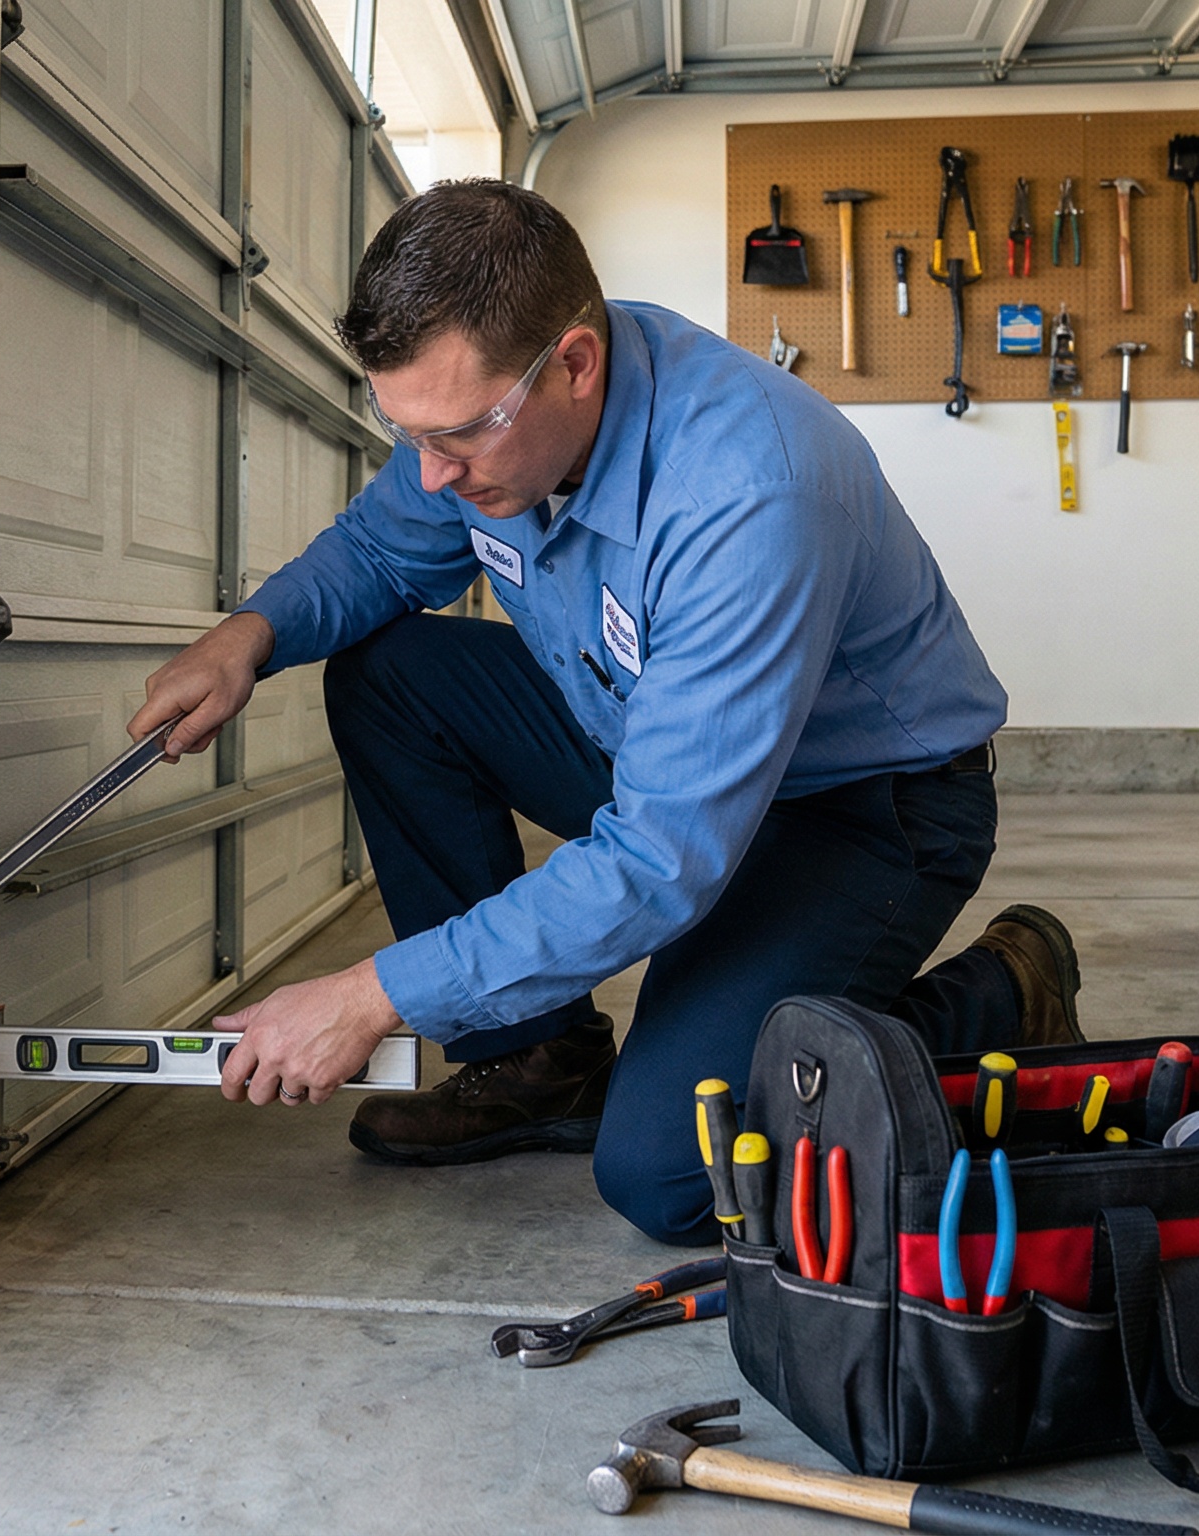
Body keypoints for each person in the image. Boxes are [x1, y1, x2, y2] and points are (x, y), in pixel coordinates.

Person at [126, 180, 1079, 1246]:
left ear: (573, 364)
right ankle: (542, 1061)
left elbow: (659, 861)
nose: (431, 476)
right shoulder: (487, 415)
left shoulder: (748, 494)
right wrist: (245, 636)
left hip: (860, 816)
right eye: (408, 434)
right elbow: (380, 551)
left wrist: (372, 993)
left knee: (675, 1170)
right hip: (643, 737)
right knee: (389, 673)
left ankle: (1001, 990)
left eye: (456, 440)